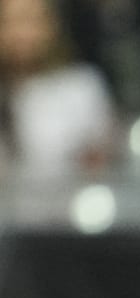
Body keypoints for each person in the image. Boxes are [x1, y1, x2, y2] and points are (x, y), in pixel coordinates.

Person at [0, 0, 115, 181]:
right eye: (9, 21)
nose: (20, 33)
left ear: (52, 25)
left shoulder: (80, 87)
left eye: (31, 20)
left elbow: (103, 160)